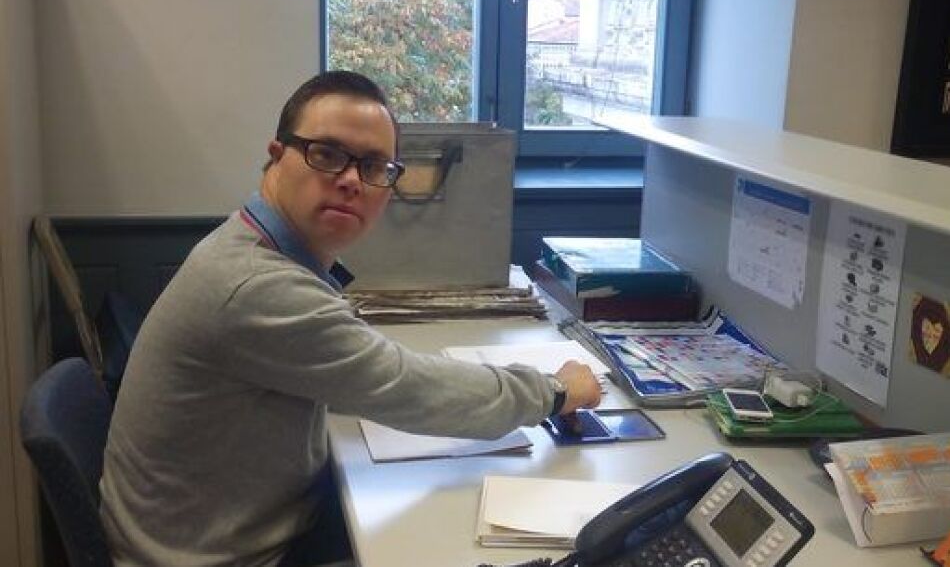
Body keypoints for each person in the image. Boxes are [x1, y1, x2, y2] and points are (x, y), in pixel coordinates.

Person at [99, 70, 603, 566]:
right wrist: (555, 392)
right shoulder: (257, 286)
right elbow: (409, 389)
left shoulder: (253, 245)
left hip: (225, 529)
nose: (351, 181)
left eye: (375, 166)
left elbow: (368, 376)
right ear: (276, 157)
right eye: (327, 154)